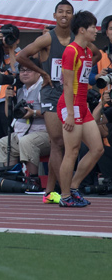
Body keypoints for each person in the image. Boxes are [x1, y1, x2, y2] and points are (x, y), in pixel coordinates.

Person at [16, 0, 92, 203]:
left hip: (73, 94)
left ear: (73, 16)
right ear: (55, 15)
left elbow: (96, 53)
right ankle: (65, 191)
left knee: (62, 145)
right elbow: (21, 56)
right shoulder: (47, 39)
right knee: (57, 142)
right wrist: (42, 73)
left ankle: (51, 191)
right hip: (52, 93)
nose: (65, 15)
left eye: (69, 12)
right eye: (61, 12)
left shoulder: (79, 40)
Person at [57, 11, 104, 207]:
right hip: (71, 106)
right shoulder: (71, 51)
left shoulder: (86, 51)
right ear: (82, 30)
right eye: (92, 27)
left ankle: (74, 187)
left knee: (97, 148)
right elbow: (67, 85)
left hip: (82, 105)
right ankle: (65, 196)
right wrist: (69, 113)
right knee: (72, 151)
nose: (96, 30)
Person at [0, 63, 50, 175]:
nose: (25, 73)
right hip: (22, 134)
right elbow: (9, 116)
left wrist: (33, 113)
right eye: (22, 70)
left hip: (44, 134)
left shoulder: (44, 87)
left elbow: (53, 112)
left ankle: (33, 181)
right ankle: (14, 179)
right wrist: (7, 99)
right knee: (3, 143)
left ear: (38, 72)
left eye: (29, 70)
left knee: (27, 142)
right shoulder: (21, 90)